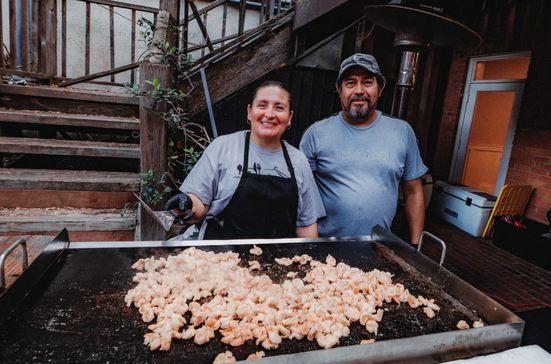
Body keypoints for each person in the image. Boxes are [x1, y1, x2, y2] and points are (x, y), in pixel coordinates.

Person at [165, 81, 325, 239]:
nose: (269, 114)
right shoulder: (223, 147)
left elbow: (306, 226)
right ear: (249, 112)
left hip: (277, 262)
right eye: (262, 105)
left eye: (279, 107)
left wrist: (311, 257)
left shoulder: (298, 161)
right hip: (217, 260)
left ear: (289, 118)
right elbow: (200, 205)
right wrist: (188, 203)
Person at [299, 53, 428, 245]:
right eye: (350, 83)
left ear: (380, 88)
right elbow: (301, 194)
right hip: (326, 247)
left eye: (367, 82)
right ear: (339, 89)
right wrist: (310, 244)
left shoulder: (402, 132)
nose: (359, 90)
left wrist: (417, 245)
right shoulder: (316, 134)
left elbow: (414, 192)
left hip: (379, 247)